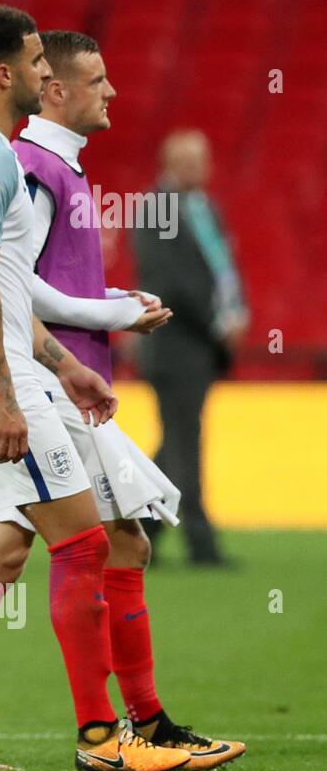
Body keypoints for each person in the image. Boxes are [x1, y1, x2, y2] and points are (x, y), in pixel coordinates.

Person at [0, 5, 191, 771]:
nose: (49, 73)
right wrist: (6, 394)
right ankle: (101, 740)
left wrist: (63, 362)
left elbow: (7, 286)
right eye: (37, 61)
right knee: (85, 544)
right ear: (6, 73)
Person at [0, 31, 244, 771]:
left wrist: (108, 308)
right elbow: (9, 290)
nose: (114, 93)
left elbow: (20, 285)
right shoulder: (31, 170)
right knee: (110, 545)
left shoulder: (49, 165)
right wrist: (97, 330)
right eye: (96, 80)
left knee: (4, 552)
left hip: (42, 382)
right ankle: (123, 733)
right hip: (37, 388)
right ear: (56, 90)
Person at [134, 129, 247, 567]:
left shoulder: (206, 208)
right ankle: (201, 543)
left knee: (176, 443)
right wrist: (217, 322)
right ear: (171, 163)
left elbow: (223, 269)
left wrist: (235, 313)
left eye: (203, 159)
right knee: (184, 443)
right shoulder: (157, 208)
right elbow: (168, 284)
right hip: (175, 344)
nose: (200, 168)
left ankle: (141, 528)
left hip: (199, 345)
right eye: (190, 160)